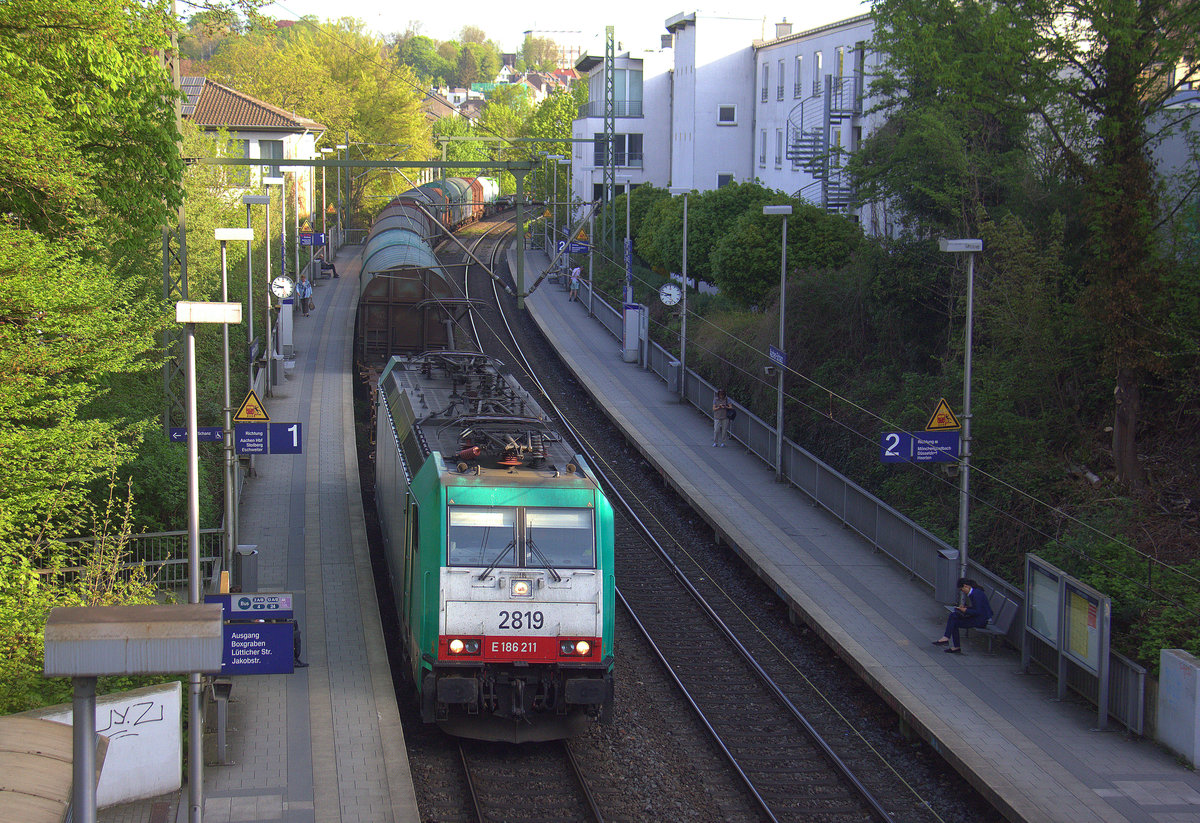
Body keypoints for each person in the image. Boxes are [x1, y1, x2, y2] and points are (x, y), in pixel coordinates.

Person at [934, 578, 993, 653]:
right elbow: (978, 608)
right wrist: (966, 608)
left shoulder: (976, 594)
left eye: (962, 589)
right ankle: (948, 640)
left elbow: (978, 611)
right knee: (953, 616)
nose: (962, 592)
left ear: (965, 586)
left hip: (981, 621)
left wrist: (966, 610)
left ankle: (950, 641)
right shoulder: (976, 592)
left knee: (954, 621)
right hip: (980, 618)